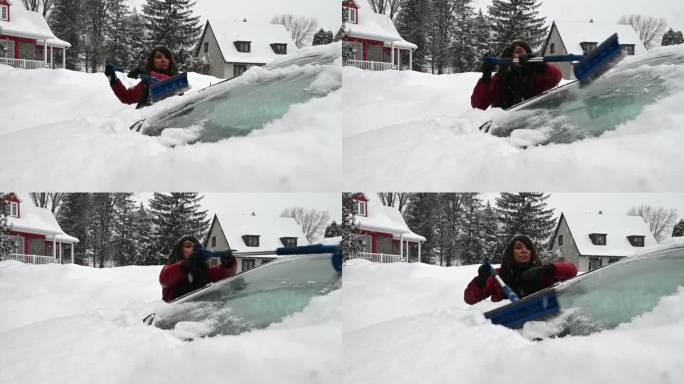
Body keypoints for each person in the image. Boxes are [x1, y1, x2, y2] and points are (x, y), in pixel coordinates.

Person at [464, 235, 577, 305]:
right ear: (511, 253)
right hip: (507, 334)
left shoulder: (542, 272)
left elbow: (572, 271)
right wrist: (481, 279)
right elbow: (470, 299)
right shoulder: (498, 276)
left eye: (528, 248)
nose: (524, 251)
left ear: (532, 253)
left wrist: (549, 269)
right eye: (519, 247)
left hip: (540, 327)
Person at [471, 40, 562, 110]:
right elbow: (478, 106)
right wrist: (485, 78)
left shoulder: (536, 77)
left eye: (524, 51)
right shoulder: (498, 79)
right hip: (502, 128)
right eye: (517, 51)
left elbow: (556, 77)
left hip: (532, 126)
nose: (520, 51)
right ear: (509, 56)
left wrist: (541, 67)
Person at [159, 235, 238, 303]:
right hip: (174, 318)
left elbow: (225, 273)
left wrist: (229, 262)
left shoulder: (203, 271)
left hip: (199, 317)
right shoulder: (170, 268)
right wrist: (186, 265)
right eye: (188, 246)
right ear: (179, 251)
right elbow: (164, 279)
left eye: (197, 247)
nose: (194, 249)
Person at [104, 46, 179, 108]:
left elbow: (168, 84)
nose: (164, 60)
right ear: (152, 61)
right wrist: (113, 78)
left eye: (167, 57)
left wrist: (148, 74)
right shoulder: (146, 84)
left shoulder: (178, 80)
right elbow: (126, 97)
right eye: (159, 57)